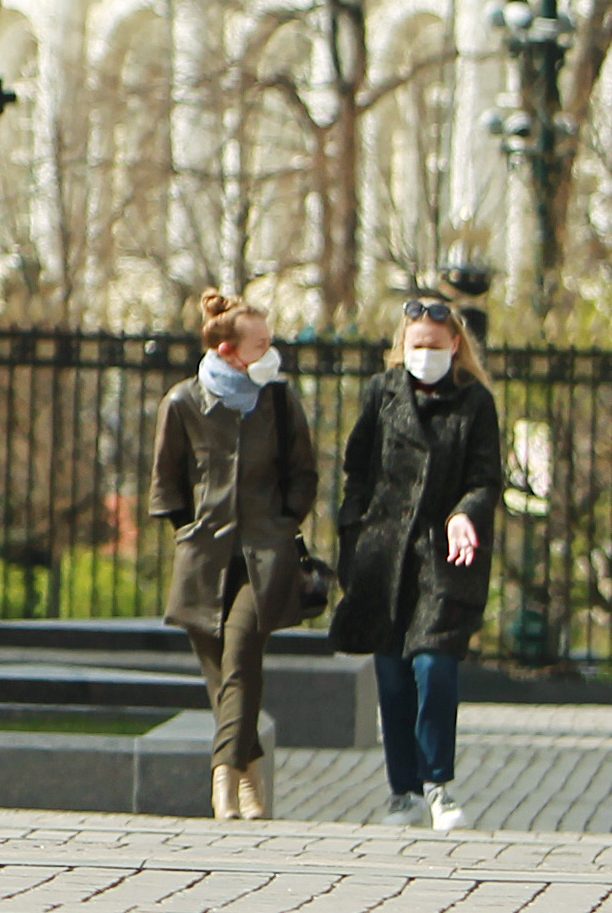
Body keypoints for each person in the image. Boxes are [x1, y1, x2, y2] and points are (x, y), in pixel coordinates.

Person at [148, 286, 318, 822]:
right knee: (222, 679)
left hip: (264, 556)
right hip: (203, 559)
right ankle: (250, 782)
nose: (272, 351)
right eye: (261, 343)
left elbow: (304, 473)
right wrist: (190, 532)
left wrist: (283, 522)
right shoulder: (183, 402)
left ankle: (222, 778)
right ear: (229, 351)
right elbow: (166, 485)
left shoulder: (279, 401)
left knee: (242, 657)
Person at [334, 293, 501, 833]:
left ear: (455, 344)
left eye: (434, 344)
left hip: (444, 557)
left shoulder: (474, 402)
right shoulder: (381, 395)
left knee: (434, 664)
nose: (425, 353)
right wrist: (353, 533)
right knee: (392, 675)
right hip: (385, 552)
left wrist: (463, 514)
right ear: (401, 347)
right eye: (416, 345)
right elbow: (357, 470)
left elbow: (485, 478)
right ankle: (401, 792)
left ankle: (438, 785)